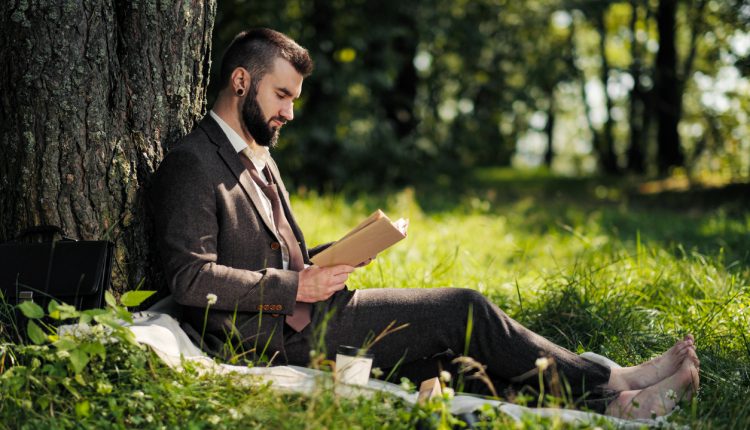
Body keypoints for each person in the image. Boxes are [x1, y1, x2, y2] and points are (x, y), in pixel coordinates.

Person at [150, 28, 699, 419]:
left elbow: (272, 254)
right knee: (462, 308)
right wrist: (301, 284)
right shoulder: (193, 162)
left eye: (294, 98)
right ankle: (611, 379)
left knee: (448, 358)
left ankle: (616, 405)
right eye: (282, 95)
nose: (290, 112)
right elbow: (190, 279)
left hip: (305, 311)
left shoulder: (257, 155)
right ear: (242, 82)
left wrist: (340, 252)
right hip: (269, 337)